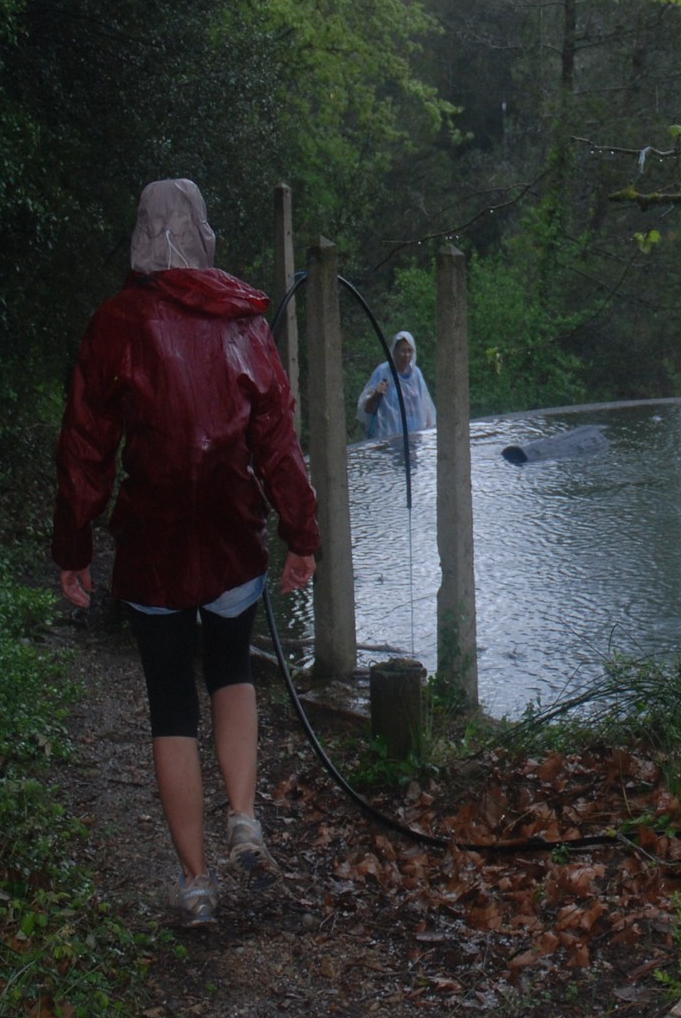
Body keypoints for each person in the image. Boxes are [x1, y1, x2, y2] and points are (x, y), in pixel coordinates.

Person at [53, 178, 320, 927]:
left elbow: (85, 447)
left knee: (171, 702)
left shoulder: (116, 324)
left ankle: (197, 883)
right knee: (232, 670)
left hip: (155, 544)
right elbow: (277, 441)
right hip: (232, 534)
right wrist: (301, 534)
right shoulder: (242, 320)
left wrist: (74, 545)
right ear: (203, 233)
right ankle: (244, 819)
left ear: (140, 236)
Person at [358, 329, 437, 441]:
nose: (406, 355)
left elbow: (425, 405)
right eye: (403, 351)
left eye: (410, 351)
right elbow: (367, 409)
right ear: (394, 352)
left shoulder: (416, 374)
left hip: (414, 436)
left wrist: (429, 433)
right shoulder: (383, 372)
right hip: (388, 435)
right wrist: (376, 394)